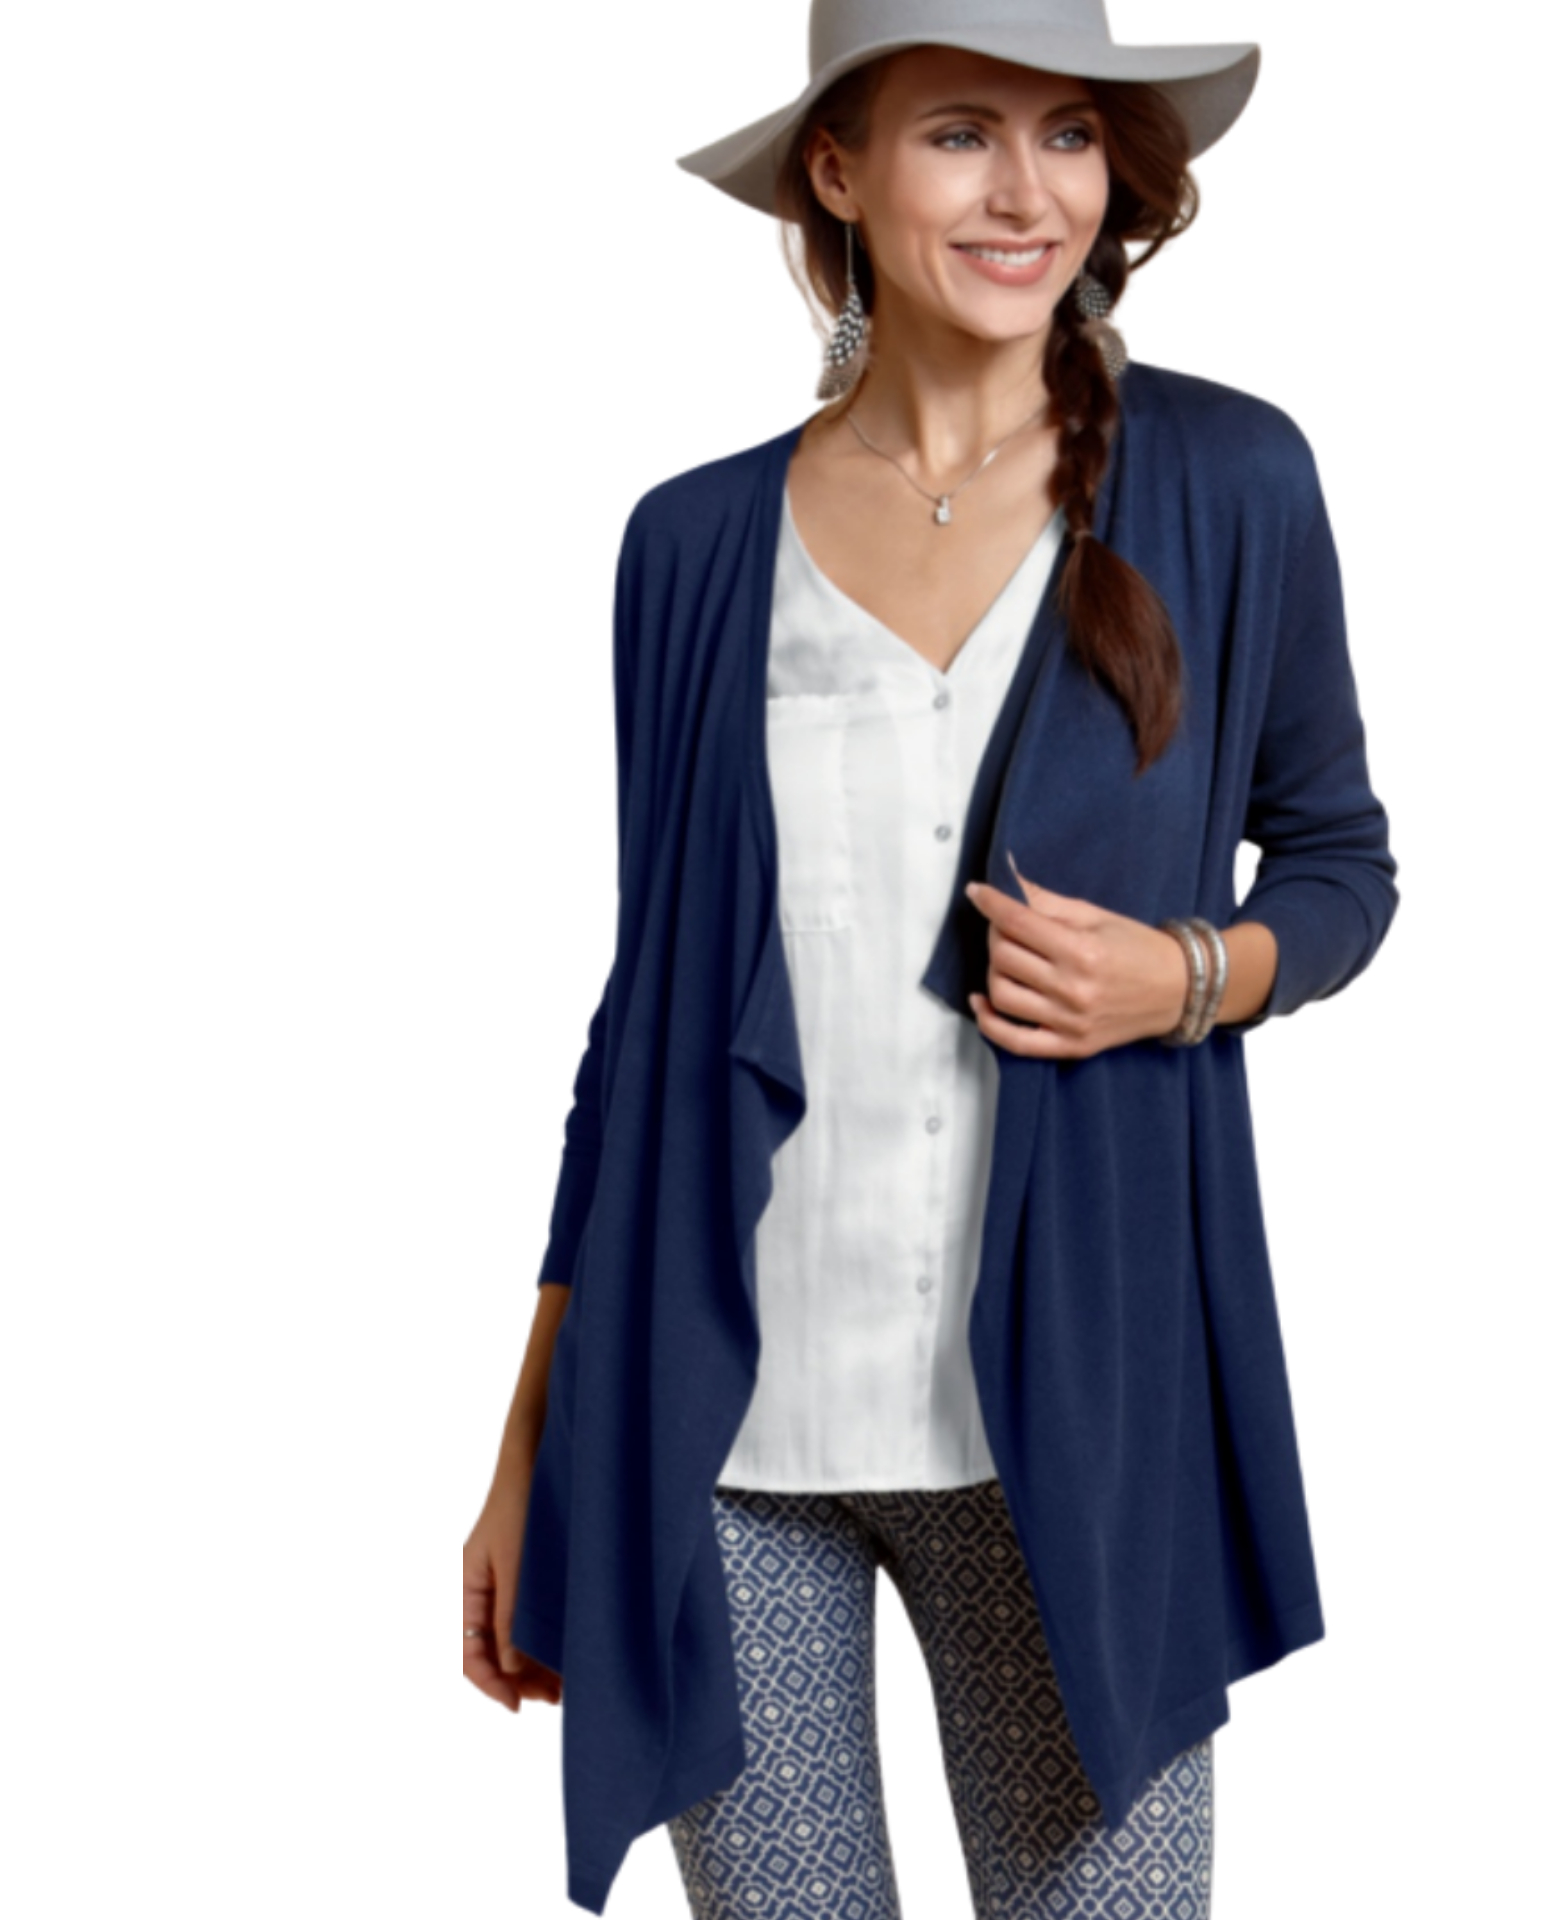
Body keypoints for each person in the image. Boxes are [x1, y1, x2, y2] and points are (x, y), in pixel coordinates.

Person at [462, 4, 1400, 1915]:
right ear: (837, 169)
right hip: (728, 1434)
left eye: (1070, 135)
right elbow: (649, 1019)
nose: (1026, 192)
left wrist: (1188, 977)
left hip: (1080, 1421)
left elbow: (1342, 866)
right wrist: (532, 1429)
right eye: (961, 132)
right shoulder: (692, 547)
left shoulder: (1229, 481)